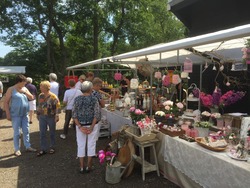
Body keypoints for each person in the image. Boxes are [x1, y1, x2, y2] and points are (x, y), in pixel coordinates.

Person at [4, 74, 37, 156]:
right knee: (17, 132)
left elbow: (31, 98)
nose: (25, 84)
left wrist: (26, 92)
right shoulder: (11, 89)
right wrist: (8, 113)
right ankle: (17, 149)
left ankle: (27, 146)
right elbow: (6, 102)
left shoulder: (25, 88)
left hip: (25, 114)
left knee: (26, 130)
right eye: (23, 82)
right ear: (19, 82)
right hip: (15, 114)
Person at [72, 81, 101, 173]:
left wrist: (80, 126)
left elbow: (74, 115)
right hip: (92, 124)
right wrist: (92, 126)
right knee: (91, 144)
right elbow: (97, 114)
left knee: (80, 145)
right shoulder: (94, 99)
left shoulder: (77, 99)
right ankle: (89, 166)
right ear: (90, 89)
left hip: (81, 125)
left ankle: (81, 166)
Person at [36, 81, 60, 156]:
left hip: (51, 117)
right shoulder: (40, 96)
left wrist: (57, 116)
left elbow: (58, 107)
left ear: (46, 87)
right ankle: (43, 149)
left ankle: (52, 147)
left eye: (41, 86)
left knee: (52, 132)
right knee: (42, 133)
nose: (40, 88)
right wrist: (37, 114)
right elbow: (39, 105)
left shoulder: (53, 96)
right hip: (42, 116)